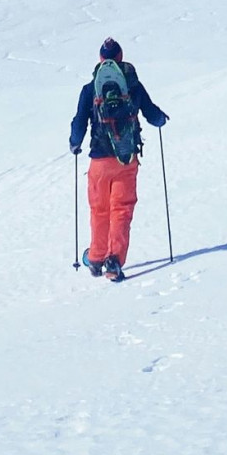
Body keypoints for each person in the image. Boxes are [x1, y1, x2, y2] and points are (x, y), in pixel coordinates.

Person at [70, 37, 168, 281]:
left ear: (101, 59)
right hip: (126, 159)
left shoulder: (90, 89)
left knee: (99, 210)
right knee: (121, 210)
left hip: (99, 162)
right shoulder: (133, 86)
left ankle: (95, 258)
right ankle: (113, 262)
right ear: (121, 58)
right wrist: (160, 119)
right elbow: (152, 114)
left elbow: (79, 122)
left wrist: (74, 143)